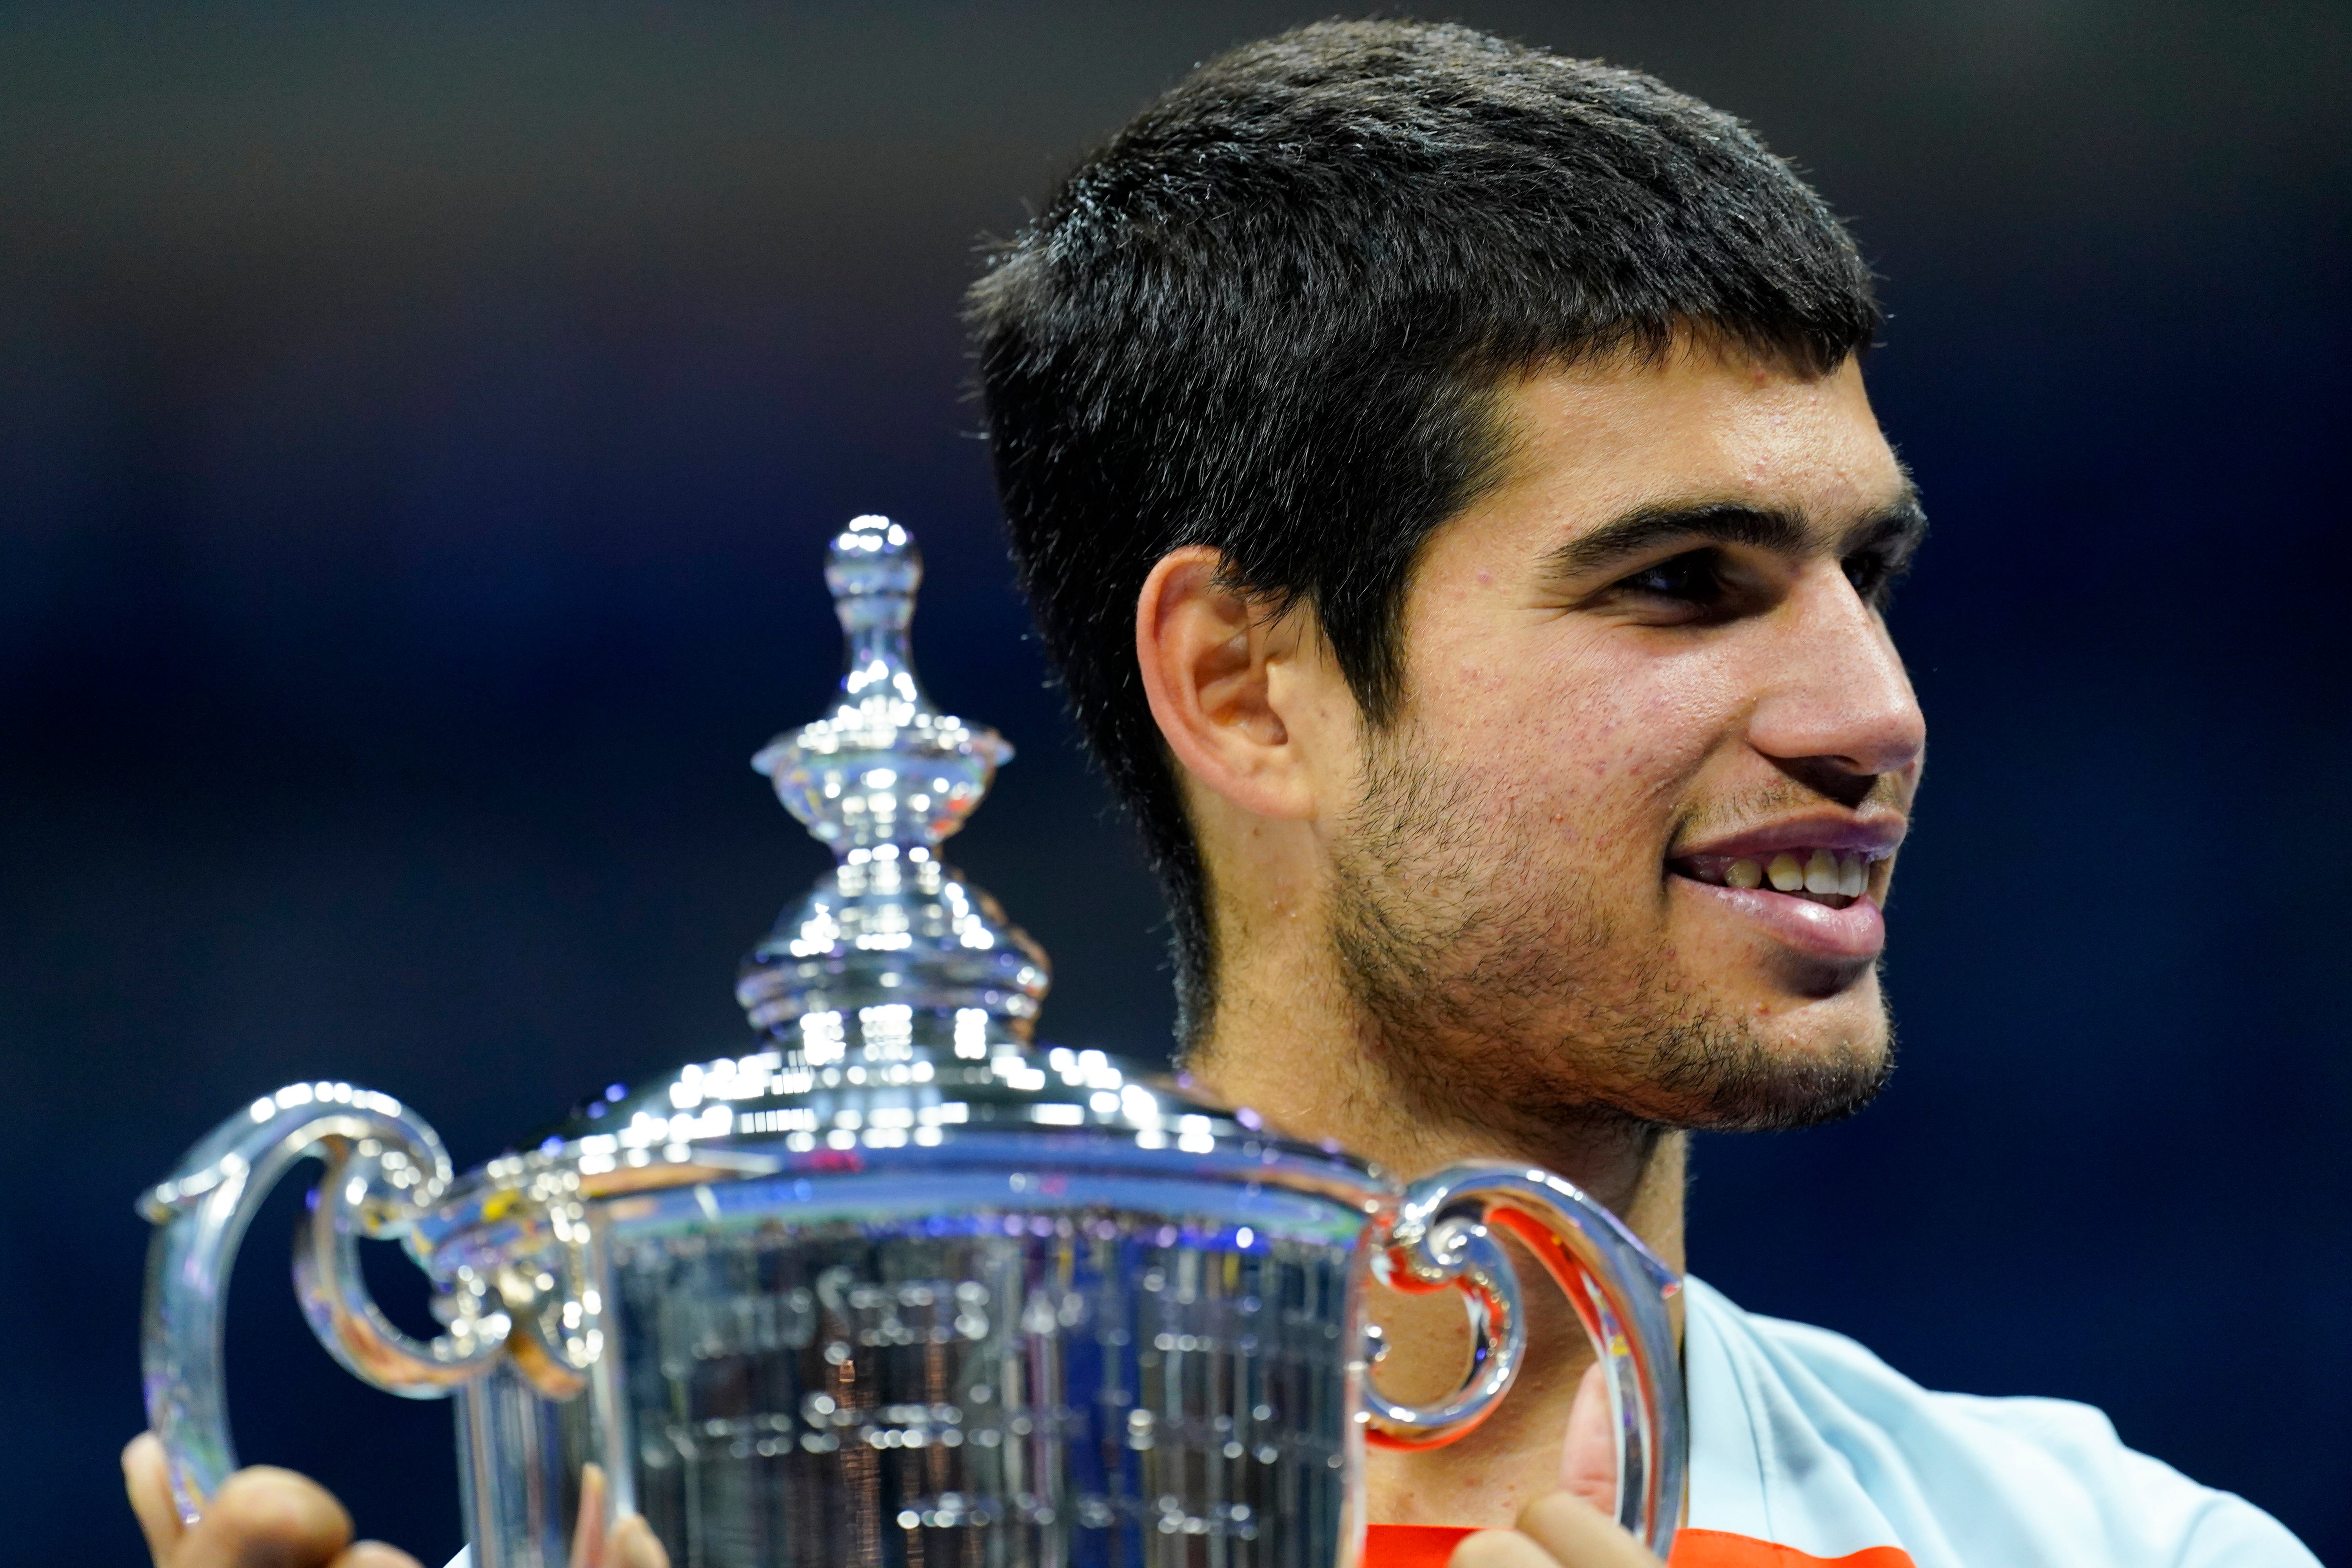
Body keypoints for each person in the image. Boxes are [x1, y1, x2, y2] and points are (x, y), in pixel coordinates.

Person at [123, 20, 2319, 1568]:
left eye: (1870, 572)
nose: (1873, 707)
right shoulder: (726, 1535)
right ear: (1248, 687)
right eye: (1682, 585)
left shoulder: (2114, 1542)